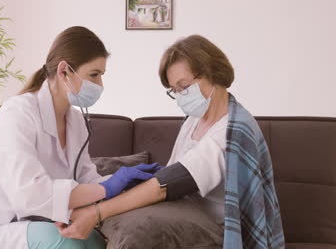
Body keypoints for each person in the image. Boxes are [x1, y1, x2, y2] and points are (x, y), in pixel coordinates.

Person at [57, 35, 285, 249]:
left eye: (184, 87)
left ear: (213, 72)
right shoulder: (194, 120)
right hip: (184, 211)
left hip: (216, 227)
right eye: (174, 90)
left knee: (134, 229)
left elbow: (169, 184)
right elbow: (171, 176)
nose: (180, 96)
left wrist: (97, 212)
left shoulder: (232, 131)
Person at [0, 26, 161, 249]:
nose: (100, 86)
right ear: (64, 71)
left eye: (101, 76)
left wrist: (124, 183)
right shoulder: (17, 113)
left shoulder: (76, 122)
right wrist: (107, 189)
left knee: (94, 241)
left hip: (38, 224)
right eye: (94, 75)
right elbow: (30, 195)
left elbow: (86, 181)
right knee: (68, 244)